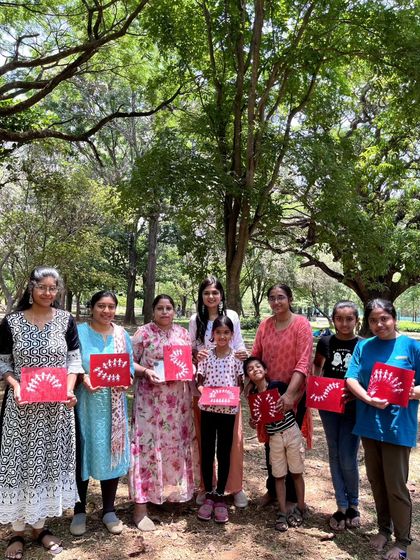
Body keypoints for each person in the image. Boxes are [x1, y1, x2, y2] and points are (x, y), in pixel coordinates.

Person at [0, 266, 82, 559]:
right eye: (42, 287)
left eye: (53, 288)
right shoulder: (12, 322)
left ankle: (40, 528)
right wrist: (15, 385)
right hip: (22, 412)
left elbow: (74, 361)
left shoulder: (65, 321)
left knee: (47, 463)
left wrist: (70, 388)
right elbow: (3, 363)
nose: (48, 293)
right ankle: (18, 532)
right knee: (21, 464)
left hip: (55, 412)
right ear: (31, 288)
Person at [345, 299, 420, 560]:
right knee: (377, 482)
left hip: (398, 427)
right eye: (374, 320)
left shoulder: (412, 346)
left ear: (394, 317)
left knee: (395, 485)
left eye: (384, 318)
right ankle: (383, 530)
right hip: (369, 425)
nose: (380, 324)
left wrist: (413, 392)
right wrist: (367, 398)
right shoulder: (364, 346)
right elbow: (351, 378)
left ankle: (402, 540)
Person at [129, 294, 197, 532]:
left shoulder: (183, 334)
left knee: (173, 448)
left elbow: (187, 362)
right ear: (153, 310)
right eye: (160, 308)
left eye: (169, 308)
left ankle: (170, 496)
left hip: (177, 403)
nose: (165, 312)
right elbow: (130, 363)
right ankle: (141, 506)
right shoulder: (143, 333)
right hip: (150, 403)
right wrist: (146, 371)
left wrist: (192, 368)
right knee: (147, 447)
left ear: (174, 311)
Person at [70, 291, 134, 537]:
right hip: (85, 404)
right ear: (92, 308)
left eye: (111, 306)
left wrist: (126, 378)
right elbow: (71, 363)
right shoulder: (79, 332)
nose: (106, 311)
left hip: (114, 405)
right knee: (83, 452)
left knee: (112, 452)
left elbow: (127, 366)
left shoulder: (121, 334)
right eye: (101, 306)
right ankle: (79, 510)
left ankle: (109, 510)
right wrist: (83, 377)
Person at [251, 283, 313, 514]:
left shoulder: (301, 325)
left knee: (291, 444)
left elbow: (304, 362)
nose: (277, 302)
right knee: (271, 443)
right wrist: (253, 384)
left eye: (281, 298)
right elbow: (255, 355)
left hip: (293, 395)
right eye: (272, 298)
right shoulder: (265, 325)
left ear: (290, 299)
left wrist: (290, 394)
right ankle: (273, 490)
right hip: (268, 395)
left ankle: (294, 498)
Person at [189, 276, 248, 508]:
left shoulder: (231, 316)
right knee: (205, 440)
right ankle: (207, 486)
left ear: (221, 295)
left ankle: (233, 487)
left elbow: (239, 343)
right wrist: (197, 356)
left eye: (215, 292)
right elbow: (192, 349)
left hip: (229, 390)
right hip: (205, 391)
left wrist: (242, 356)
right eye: (206, 293)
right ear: (201, 296)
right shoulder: (196, 319)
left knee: (232, 442)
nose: (211, 297)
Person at [313, 300, 361, 531]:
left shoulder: (363, 344)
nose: (344, 323)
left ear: (357, 321)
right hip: (329, 405)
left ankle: (354, 504)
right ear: (333, 320)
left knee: (348, 456)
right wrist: (315, 392)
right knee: (334, 453)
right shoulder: (325, 342)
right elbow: (317, 369)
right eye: (339, 319)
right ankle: (341, 506)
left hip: (354, 407)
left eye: (349, 319)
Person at [244, 356, 305, 532]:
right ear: (248, 376)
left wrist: (290, 401)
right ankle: (282, 511)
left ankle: (301, 507)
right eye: (250, 369)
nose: (255, 369)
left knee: (296, 472)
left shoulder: (277, 386)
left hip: (292, 432)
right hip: (274, 437)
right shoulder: (254, 396)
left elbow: (296, 395)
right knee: (278, 475)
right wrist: (253, 422)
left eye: (258, 366)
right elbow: (256, 418)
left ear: (266, 370)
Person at [196, 316, 244, 523]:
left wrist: (233, 395)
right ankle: (208, 493)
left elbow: (241, 384)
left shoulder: (236, 358)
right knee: (207, 451)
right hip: (207, 410)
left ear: (231, 335)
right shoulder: (206, 357)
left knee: (224, 452)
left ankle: (221, 495)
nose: (222, 336)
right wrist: (205, 392)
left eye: (226, 333)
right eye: (218, 333)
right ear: (212, 335)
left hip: (228, 413)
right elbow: (199, 381)